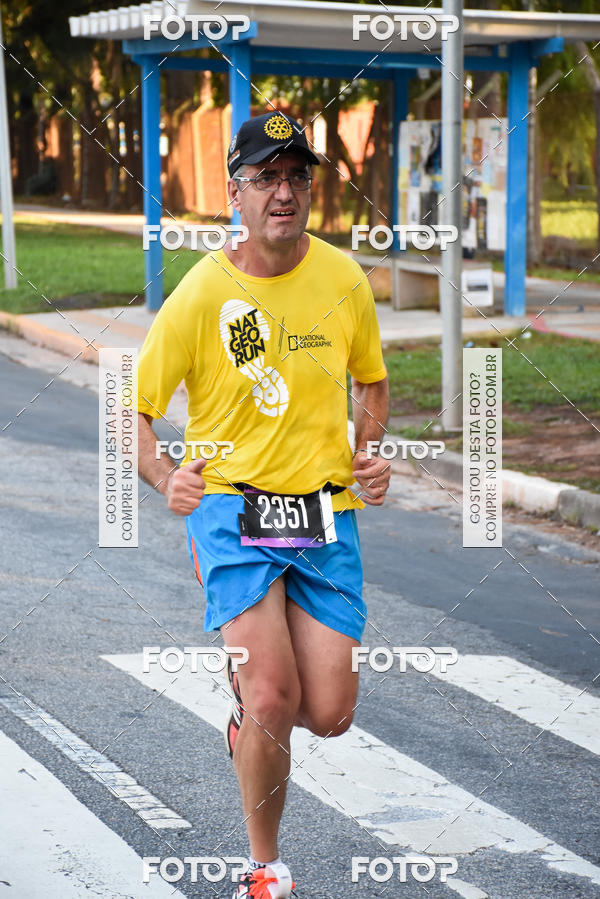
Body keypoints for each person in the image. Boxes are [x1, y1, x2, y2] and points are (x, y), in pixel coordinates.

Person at [136, 111, 390, 899]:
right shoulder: (204, 289)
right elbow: (133, 406)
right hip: (231, 511)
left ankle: (247, 722)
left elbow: (371, 382)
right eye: (265, 178)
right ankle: (265, 865)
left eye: (296, 177)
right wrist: (161, 473)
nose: (283, 192)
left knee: (332, 710)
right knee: (275, 690)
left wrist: (368, 449)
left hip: (324, 513)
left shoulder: (345, 280)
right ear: (236, 195)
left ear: (310, 189)